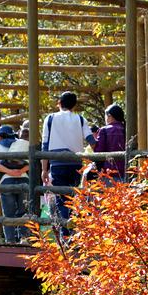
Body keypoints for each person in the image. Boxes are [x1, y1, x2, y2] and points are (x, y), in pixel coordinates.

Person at [41, 91, 96, 237]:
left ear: (59, 102)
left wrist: (44, 169)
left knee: (61, 199)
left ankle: (65, 234)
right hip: (75, 163)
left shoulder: (50, 118)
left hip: (57, 163)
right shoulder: (80, 119)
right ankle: (71, 232)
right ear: (74, 105)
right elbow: (91, 140)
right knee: (72, 198)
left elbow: (45, 145)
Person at [0, 125, 29, 243]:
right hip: (23, 179)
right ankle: (23, 238)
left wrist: (9, 172)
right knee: (23, 211)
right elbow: (32, 161)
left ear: (0, 137)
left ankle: (10, 241)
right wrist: (20, 171)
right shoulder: (22, 145)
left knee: (8, 214)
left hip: (5, 181)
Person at [94, 103, 126, 181]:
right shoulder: (126, 129)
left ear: (109, 116)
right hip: (127, 171)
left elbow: (99, 152)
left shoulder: (104, 130)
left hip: (109, 171)